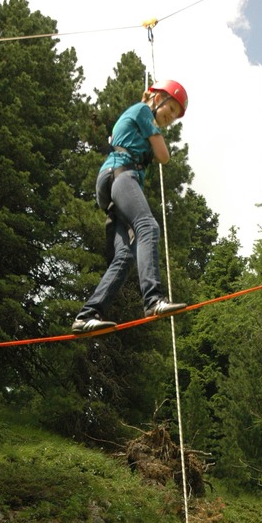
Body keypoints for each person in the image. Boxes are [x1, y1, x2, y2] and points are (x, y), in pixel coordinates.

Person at [71, 80, 189, 334]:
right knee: (148, 226)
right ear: (157, 99)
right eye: (169, 112)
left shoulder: (141, 117)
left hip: (113, 183)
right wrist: (156, 132)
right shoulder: (142, 111)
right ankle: (154, 299)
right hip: (120, 175)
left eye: (173, 118)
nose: (168, 119)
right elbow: (164, 156)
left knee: (124, 256)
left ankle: (87, 315)